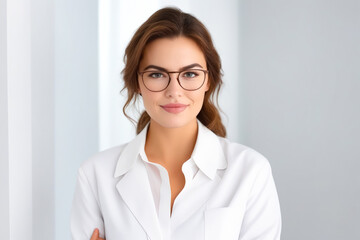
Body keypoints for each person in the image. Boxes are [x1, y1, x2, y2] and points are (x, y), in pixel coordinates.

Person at [71, 7, 281, 240]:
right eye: (157, 74)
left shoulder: (250, 172)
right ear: (137, 82)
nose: (174, 91)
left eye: (190, 74)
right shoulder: (95, 175)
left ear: (208, 80)